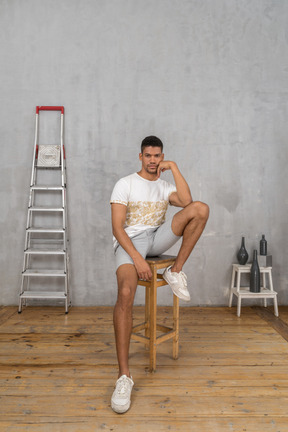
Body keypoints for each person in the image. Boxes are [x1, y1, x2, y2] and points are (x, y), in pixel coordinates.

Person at [110, 136, 209, 413]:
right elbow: (117, 228)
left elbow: (188, 203)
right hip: (130, 242)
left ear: (161, 157)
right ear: (140, 156)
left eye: (157, 156)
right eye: (148, 156)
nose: (153, 160)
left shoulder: (165, 185)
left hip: (157, 238)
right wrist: (138, 258)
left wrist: (174, 168)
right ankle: (124, 376)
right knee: (126, 293)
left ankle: (176, 270)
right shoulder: (125, 183)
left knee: (201, 208)